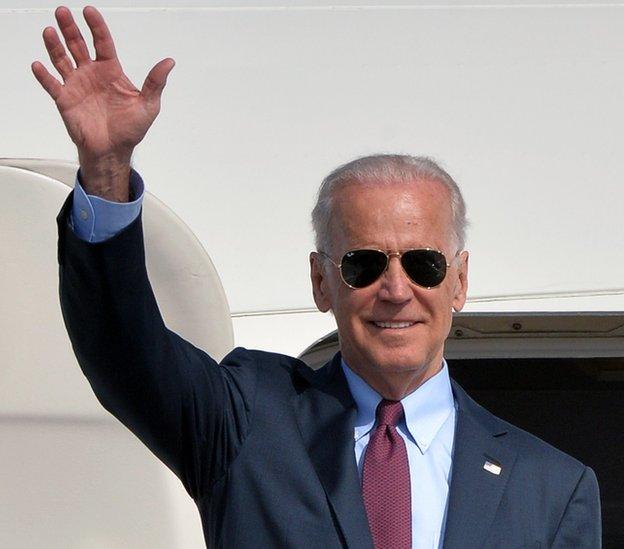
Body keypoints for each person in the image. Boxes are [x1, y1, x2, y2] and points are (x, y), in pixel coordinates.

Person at [34, 6, 601, 547]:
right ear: (321, 282)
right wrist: (107, 171)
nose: (396, 290)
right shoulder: (246, 422)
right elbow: (123, 352)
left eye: (423, 264)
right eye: (365, 264)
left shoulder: (551, 489)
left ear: (459, 282)